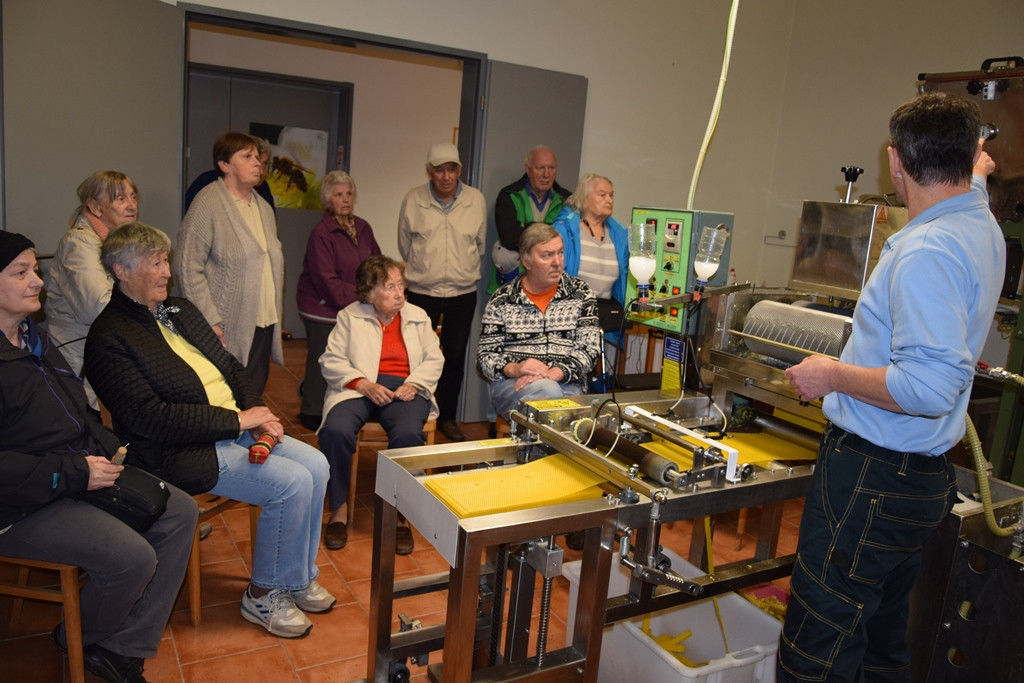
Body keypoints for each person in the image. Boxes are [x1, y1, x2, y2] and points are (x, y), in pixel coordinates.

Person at [778, 92, 1005, 682]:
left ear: (894, 161)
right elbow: (975, 178)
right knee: (880, 642)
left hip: (872, 476)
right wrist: (976, 168)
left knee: (820, 643)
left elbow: (928, 386)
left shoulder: (926, 249)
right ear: (970, 156)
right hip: (922, 477)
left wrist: (829, 375)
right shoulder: (977, 219)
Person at [84, 222, 333, 639]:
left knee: (317, 464)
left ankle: (295, 578)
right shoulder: (109, 337)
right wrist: (238, 421)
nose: (166, 271)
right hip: (173, 452)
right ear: (120, 271)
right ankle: (262, 595)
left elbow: (233, 366)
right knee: (289, 483)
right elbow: (151, 418)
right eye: (154, 263)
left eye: (166, 261)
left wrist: (257, 412)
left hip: (231, 427)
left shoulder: (179, 309)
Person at [0, 231, 196, 683]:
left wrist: (109, 447)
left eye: (36, 270)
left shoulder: (34, 339)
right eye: (21, 272)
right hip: (22, 503)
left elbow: (75, 409)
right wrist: (73, 472)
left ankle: (122, 649)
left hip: (76, 471)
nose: (37, 282)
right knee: (131, 557)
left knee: (180, 509)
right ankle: (78, 637)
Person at [317, 255, 443, 553]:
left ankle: (402, 516)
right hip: (360, 387)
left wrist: (414, 384)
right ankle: (339, 509)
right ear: (369, 292)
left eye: (401, 285)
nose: (399, 293)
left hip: (405, 388)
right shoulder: (350, 316)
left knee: (408, 435)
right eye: (389, 287)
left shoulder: (418, 316)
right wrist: (362, 383)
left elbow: (434, 358)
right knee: (335, 430)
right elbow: (331, 359)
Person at [175, 131, 284, 396]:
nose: (257, 163)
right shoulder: (207, 203)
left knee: (252, 396)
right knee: (223, 399)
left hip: (262, 321)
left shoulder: (263, 208)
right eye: (246, 157)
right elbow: (186, 267)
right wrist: (210, 320)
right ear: (224, 165)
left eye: (258, 157)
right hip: (224, 326)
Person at [398, 142, 486, 443]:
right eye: (439, 170)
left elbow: (479, 244)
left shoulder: (476, 200)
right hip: (423, 290)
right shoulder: (413, 199)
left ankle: (446, 416)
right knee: (417, 354)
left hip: (463, 292)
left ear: (459, 170)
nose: (446, 176)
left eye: (452, 169)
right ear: (429, 172)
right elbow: (404, 246)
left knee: (455, 357)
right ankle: (412, 412)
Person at [477, 223, 601, 420]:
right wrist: (516, 369)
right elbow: (485, 359)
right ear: (526, 261)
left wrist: (556, 373)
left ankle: (534, 449)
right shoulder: (503, 299)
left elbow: (590, 350)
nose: (557, 262)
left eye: (560, 253)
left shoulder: (581, 294)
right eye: (547, 255)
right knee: (552, 397)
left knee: (563, 403)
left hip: (568, 382)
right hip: (513, 384)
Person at [44, 170, 139, 410]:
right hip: (79, 366)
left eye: (133, 197)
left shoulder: (119, 244)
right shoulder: (78, 243)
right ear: (95, 207)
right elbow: (98, 308)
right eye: (120, 199)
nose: (131, 205)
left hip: (106, 356)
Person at [296, 170, 381, 431]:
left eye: (348, 194)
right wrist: (365, 297)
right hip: (322, 306)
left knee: (352, 357)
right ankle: (311, 410)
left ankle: (341, 405)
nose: (345, 199)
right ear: (327, 200)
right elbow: (326, 280)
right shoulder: (321, 233)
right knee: (322, 357)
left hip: (353, 305)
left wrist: (377, 289)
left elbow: (375, 263)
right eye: (338, 195)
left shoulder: (363, 227)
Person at [552, 173, 629, 341]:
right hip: (567, 316)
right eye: (602, 195)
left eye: (611, 195)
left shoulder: (619, 235)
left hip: (604, 315)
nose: (609, 200)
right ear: (585, 199)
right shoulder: (564, 231)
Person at [491, 145, 571, 290]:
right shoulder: (509, 195)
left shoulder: (567, 200)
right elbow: (509, 238)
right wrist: (548, 233)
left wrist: (526, 228)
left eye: (551, 168)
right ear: (528, 170)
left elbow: (568, 242)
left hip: (551, 285)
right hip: (512, 283)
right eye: (540, 168)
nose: (546, 174)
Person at [183, 135, 275, 213]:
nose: (261, 170)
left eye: (265, 164)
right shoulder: (207, 182)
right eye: (255, 162)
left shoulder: (264, 189)